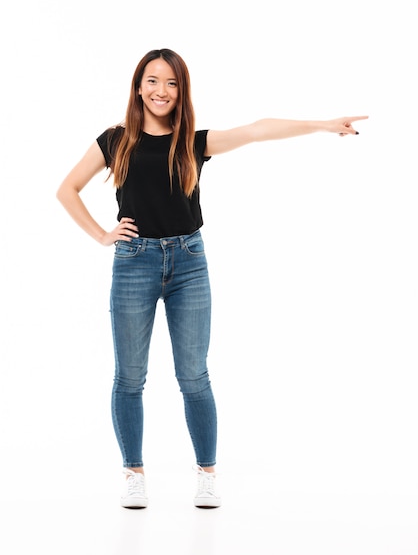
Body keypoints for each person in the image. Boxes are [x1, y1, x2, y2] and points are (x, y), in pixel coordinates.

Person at [56, 48, 368, 509]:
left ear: (181, 91)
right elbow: (66, 189)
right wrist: (103, 235)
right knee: (129, 377)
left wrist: (321, 124)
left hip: (188, 263)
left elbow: (258, 129)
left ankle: (206, 473)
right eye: (153, 81)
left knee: (194, 375)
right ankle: (134, 473)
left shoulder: (193, 142)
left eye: (172, 83)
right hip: (133, 262)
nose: (161, 91)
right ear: (138, 86)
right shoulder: (114, 140)